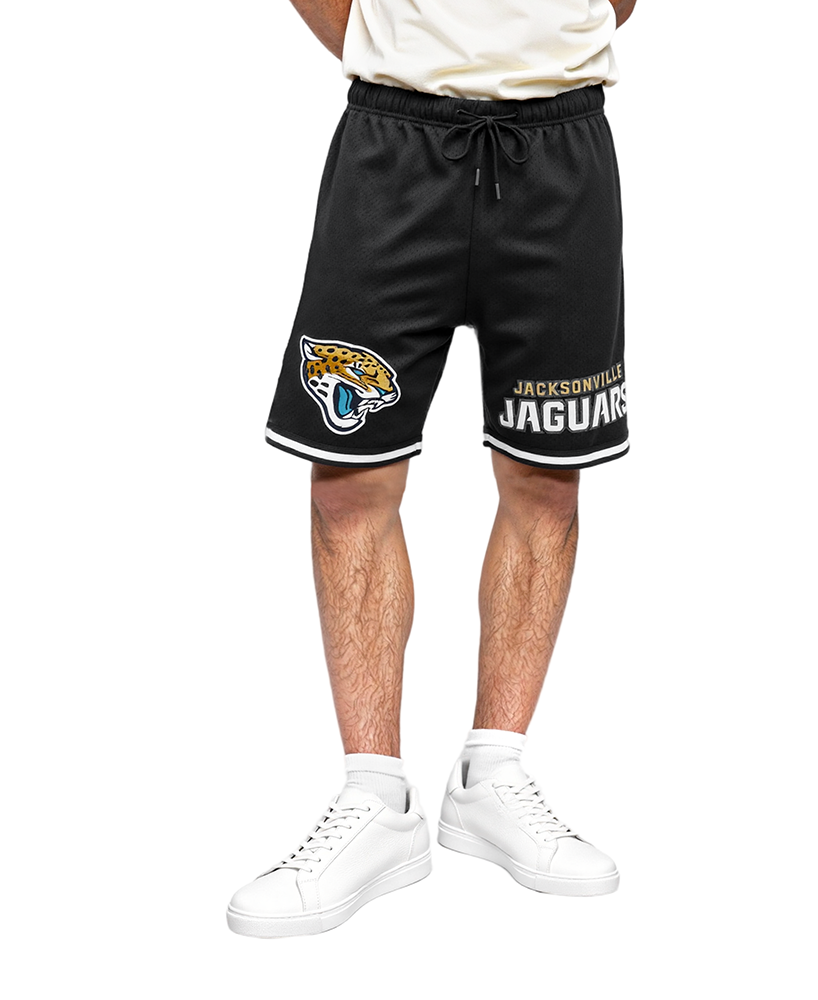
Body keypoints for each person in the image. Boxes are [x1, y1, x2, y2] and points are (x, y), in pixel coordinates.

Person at [227, 0, 637, 938]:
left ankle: (492, 773)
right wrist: (387, 47)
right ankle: (376, 799)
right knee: (350, 479)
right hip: (392, 141)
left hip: (562, 146)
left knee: (546, 473)